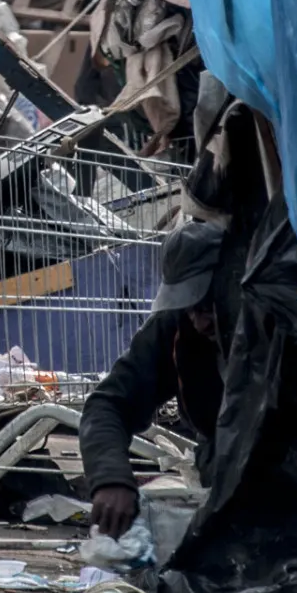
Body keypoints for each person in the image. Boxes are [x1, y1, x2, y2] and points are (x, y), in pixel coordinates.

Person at [79, 222, 227, 538]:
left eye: (206, 304)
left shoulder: (272, 321)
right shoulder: (175, 328)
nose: (200, 322)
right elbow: (109, 404)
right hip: (223, 466)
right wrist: (111, 477)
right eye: (190, 309)